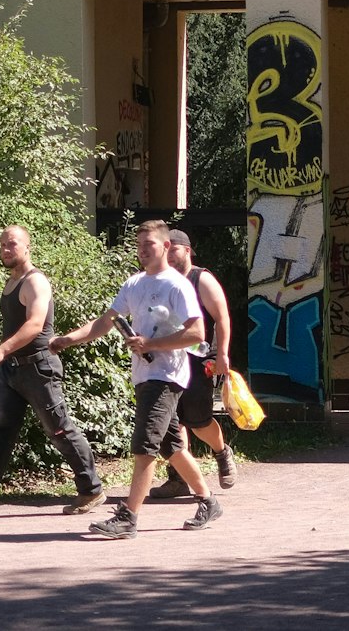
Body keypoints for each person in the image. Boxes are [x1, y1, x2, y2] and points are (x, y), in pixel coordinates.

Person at [51, 220, 224, 538]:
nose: (143, 251)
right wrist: (69, 339)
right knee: (172, 446)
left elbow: (197, 333)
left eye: (150, 246)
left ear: (166, 247)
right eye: (140, 246)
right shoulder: (134, 284)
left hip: (166, 376)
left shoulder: (177, 286)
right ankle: (208, 501)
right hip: (144, 375)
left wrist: (151, 344)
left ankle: (128, 517)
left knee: (144, 446)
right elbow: (106, 322)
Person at [0, 225, 106, 518]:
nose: (6, 249)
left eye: (12, 244)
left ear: (27, 247)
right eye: (2, 244)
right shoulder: (11, 283)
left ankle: (91, 489)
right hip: (12, 372)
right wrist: (6, 356)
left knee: (59, 429)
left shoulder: (35, 282)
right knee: (0, 432)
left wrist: (2, 350)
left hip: (38, 368)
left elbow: (35, 325)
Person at [149, 229, 237, 499]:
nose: (170, 256)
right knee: (172, 421)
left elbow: (221, 319)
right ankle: (177, 479)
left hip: (199, 359)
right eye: (167, 250)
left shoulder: (202, 279)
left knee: (198, 421)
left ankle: (222, 453)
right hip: (167, 359)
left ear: (188, 250)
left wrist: (221, 354)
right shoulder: (161, 281)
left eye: (174, 250)